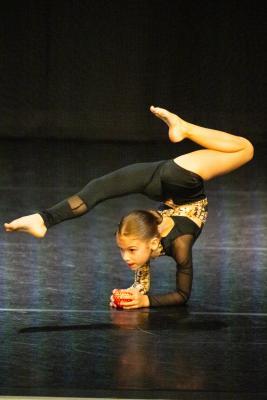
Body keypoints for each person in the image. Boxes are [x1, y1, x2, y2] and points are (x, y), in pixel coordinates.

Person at [4, 106, 254, 309]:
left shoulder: (150, 241)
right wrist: (141, 298)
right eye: (125, 250)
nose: (126, 257)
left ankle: (44, 220)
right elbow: (181, 295)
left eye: (130, 250)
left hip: (168, 182)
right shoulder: (179, 245)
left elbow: (169, 292)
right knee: (245, 148)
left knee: (100, 187)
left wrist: (140, 297)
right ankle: (183, 127)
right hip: (182, 185)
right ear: (154, 243)